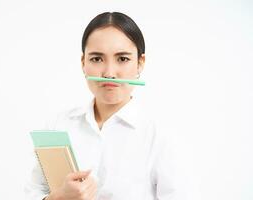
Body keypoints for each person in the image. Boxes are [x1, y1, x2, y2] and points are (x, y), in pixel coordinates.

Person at [25, 11, 181, 200]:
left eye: (122, 59)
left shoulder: (159, 135)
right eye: (97, 59)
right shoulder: (59, 124)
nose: (109, 73)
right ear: (83, 63)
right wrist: (58, 198)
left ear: (140, 63)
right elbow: (33, 191)